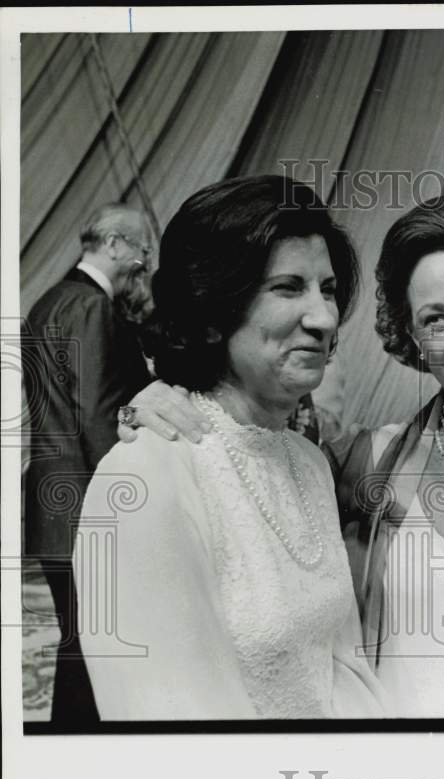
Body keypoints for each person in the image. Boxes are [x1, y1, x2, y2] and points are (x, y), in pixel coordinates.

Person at [119, 194, 444, 718]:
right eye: (437, 319)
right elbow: (250, 459)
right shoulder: (361, 462)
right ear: (412, 337)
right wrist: (149, 402)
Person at [75, 175, 386, 719]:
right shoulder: (146, 476)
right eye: (288, 288)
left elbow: (343, 672)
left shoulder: (309, 463)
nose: (325, 318)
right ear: (214, 311)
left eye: (329, 289)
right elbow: (170, 738)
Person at [22, 202, 153, 724]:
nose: (143, 263)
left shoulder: (45, 303)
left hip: (52, 511)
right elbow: (99, 414)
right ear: (115, 245)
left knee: (78, 650)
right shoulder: (94, 307)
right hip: (88, 515)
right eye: (142, 250)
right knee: (95, 654)